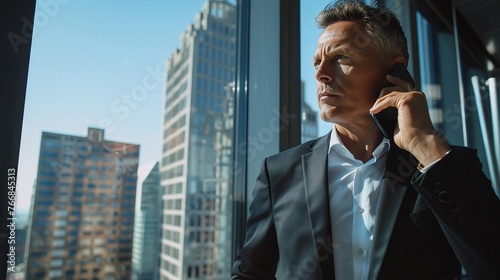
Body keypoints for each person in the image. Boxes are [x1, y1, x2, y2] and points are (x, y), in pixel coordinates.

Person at [231, 1, 500, 279]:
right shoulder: (279, 173)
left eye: (341, 58)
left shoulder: (445, 166)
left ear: (395, 71)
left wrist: (425, 146)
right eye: (317, 62)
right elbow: (249, 274)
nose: (320, 73)